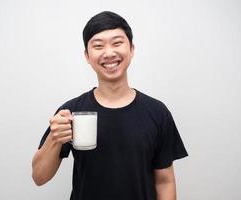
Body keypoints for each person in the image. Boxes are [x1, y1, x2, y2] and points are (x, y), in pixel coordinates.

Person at [32, 11, 188, 200]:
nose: (109, 53)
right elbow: (39, 177)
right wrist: (54, 139)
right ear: (87, 56)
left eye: (117, 43)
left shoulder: (157, 112)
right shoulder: (71, 113)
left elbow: (165, 181)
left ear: (131, 49)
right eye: (98, 46)